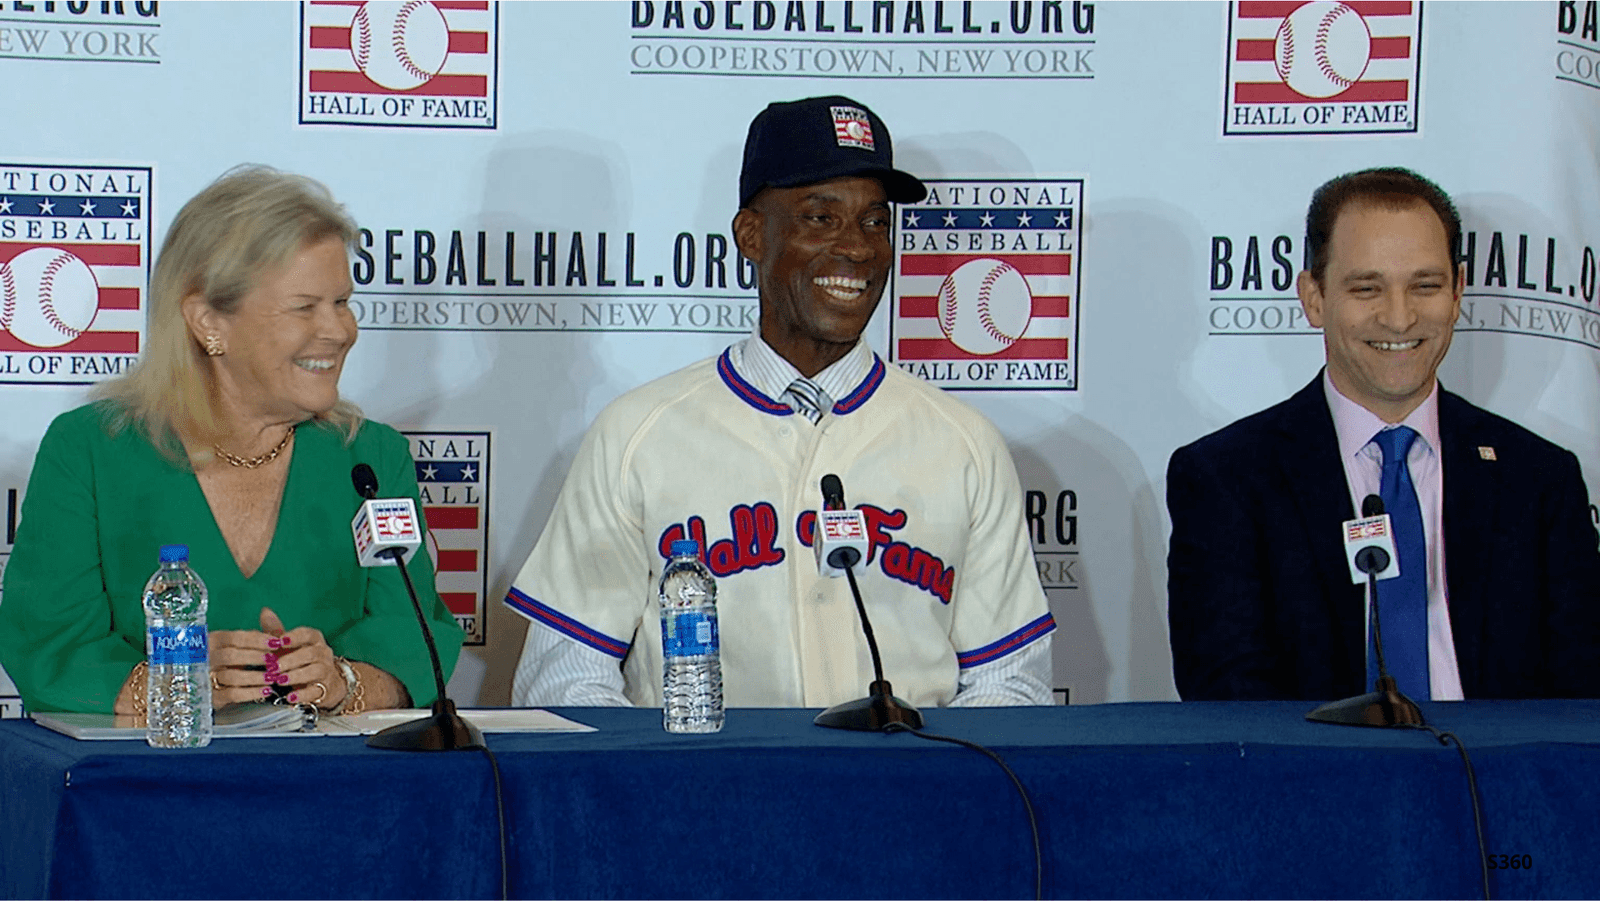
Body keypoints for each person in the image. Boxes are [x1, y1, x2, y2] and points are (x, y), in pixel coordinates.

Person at [506, 96, 1055, 708]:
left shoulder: (963, 443)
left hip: (907, 794)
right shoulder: (638, 434)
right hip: (702, 797)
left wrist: (927, 794)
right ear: (751, 235)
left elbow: (1012, 683)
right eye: (821, 218)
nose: (857, 248)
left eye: (875, 221)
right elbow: (564, 681)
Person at [0, 165, 463, 718]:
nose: (340, 331)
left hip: (339, 791)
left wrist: (343, 681)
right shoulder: (91, 450)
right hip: (142, 791)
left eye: (342, 302)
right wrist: (175, 685)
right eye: (305, 307)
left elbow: (411, 636)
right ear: (206, 321)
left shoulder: (372, 457)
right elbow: (50, 646)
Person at [1166, 166, 1600, 702]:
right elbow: (1228, 701)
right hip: (1317, 780)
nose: (1399, 318)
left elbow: (1583, 698)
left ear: (1458, 292)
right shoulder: (1226, 480)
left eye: (1425, 286)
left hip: (1500, 779)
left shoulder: (1539, 480)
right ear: (1314, 297)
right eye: (1367, 288)